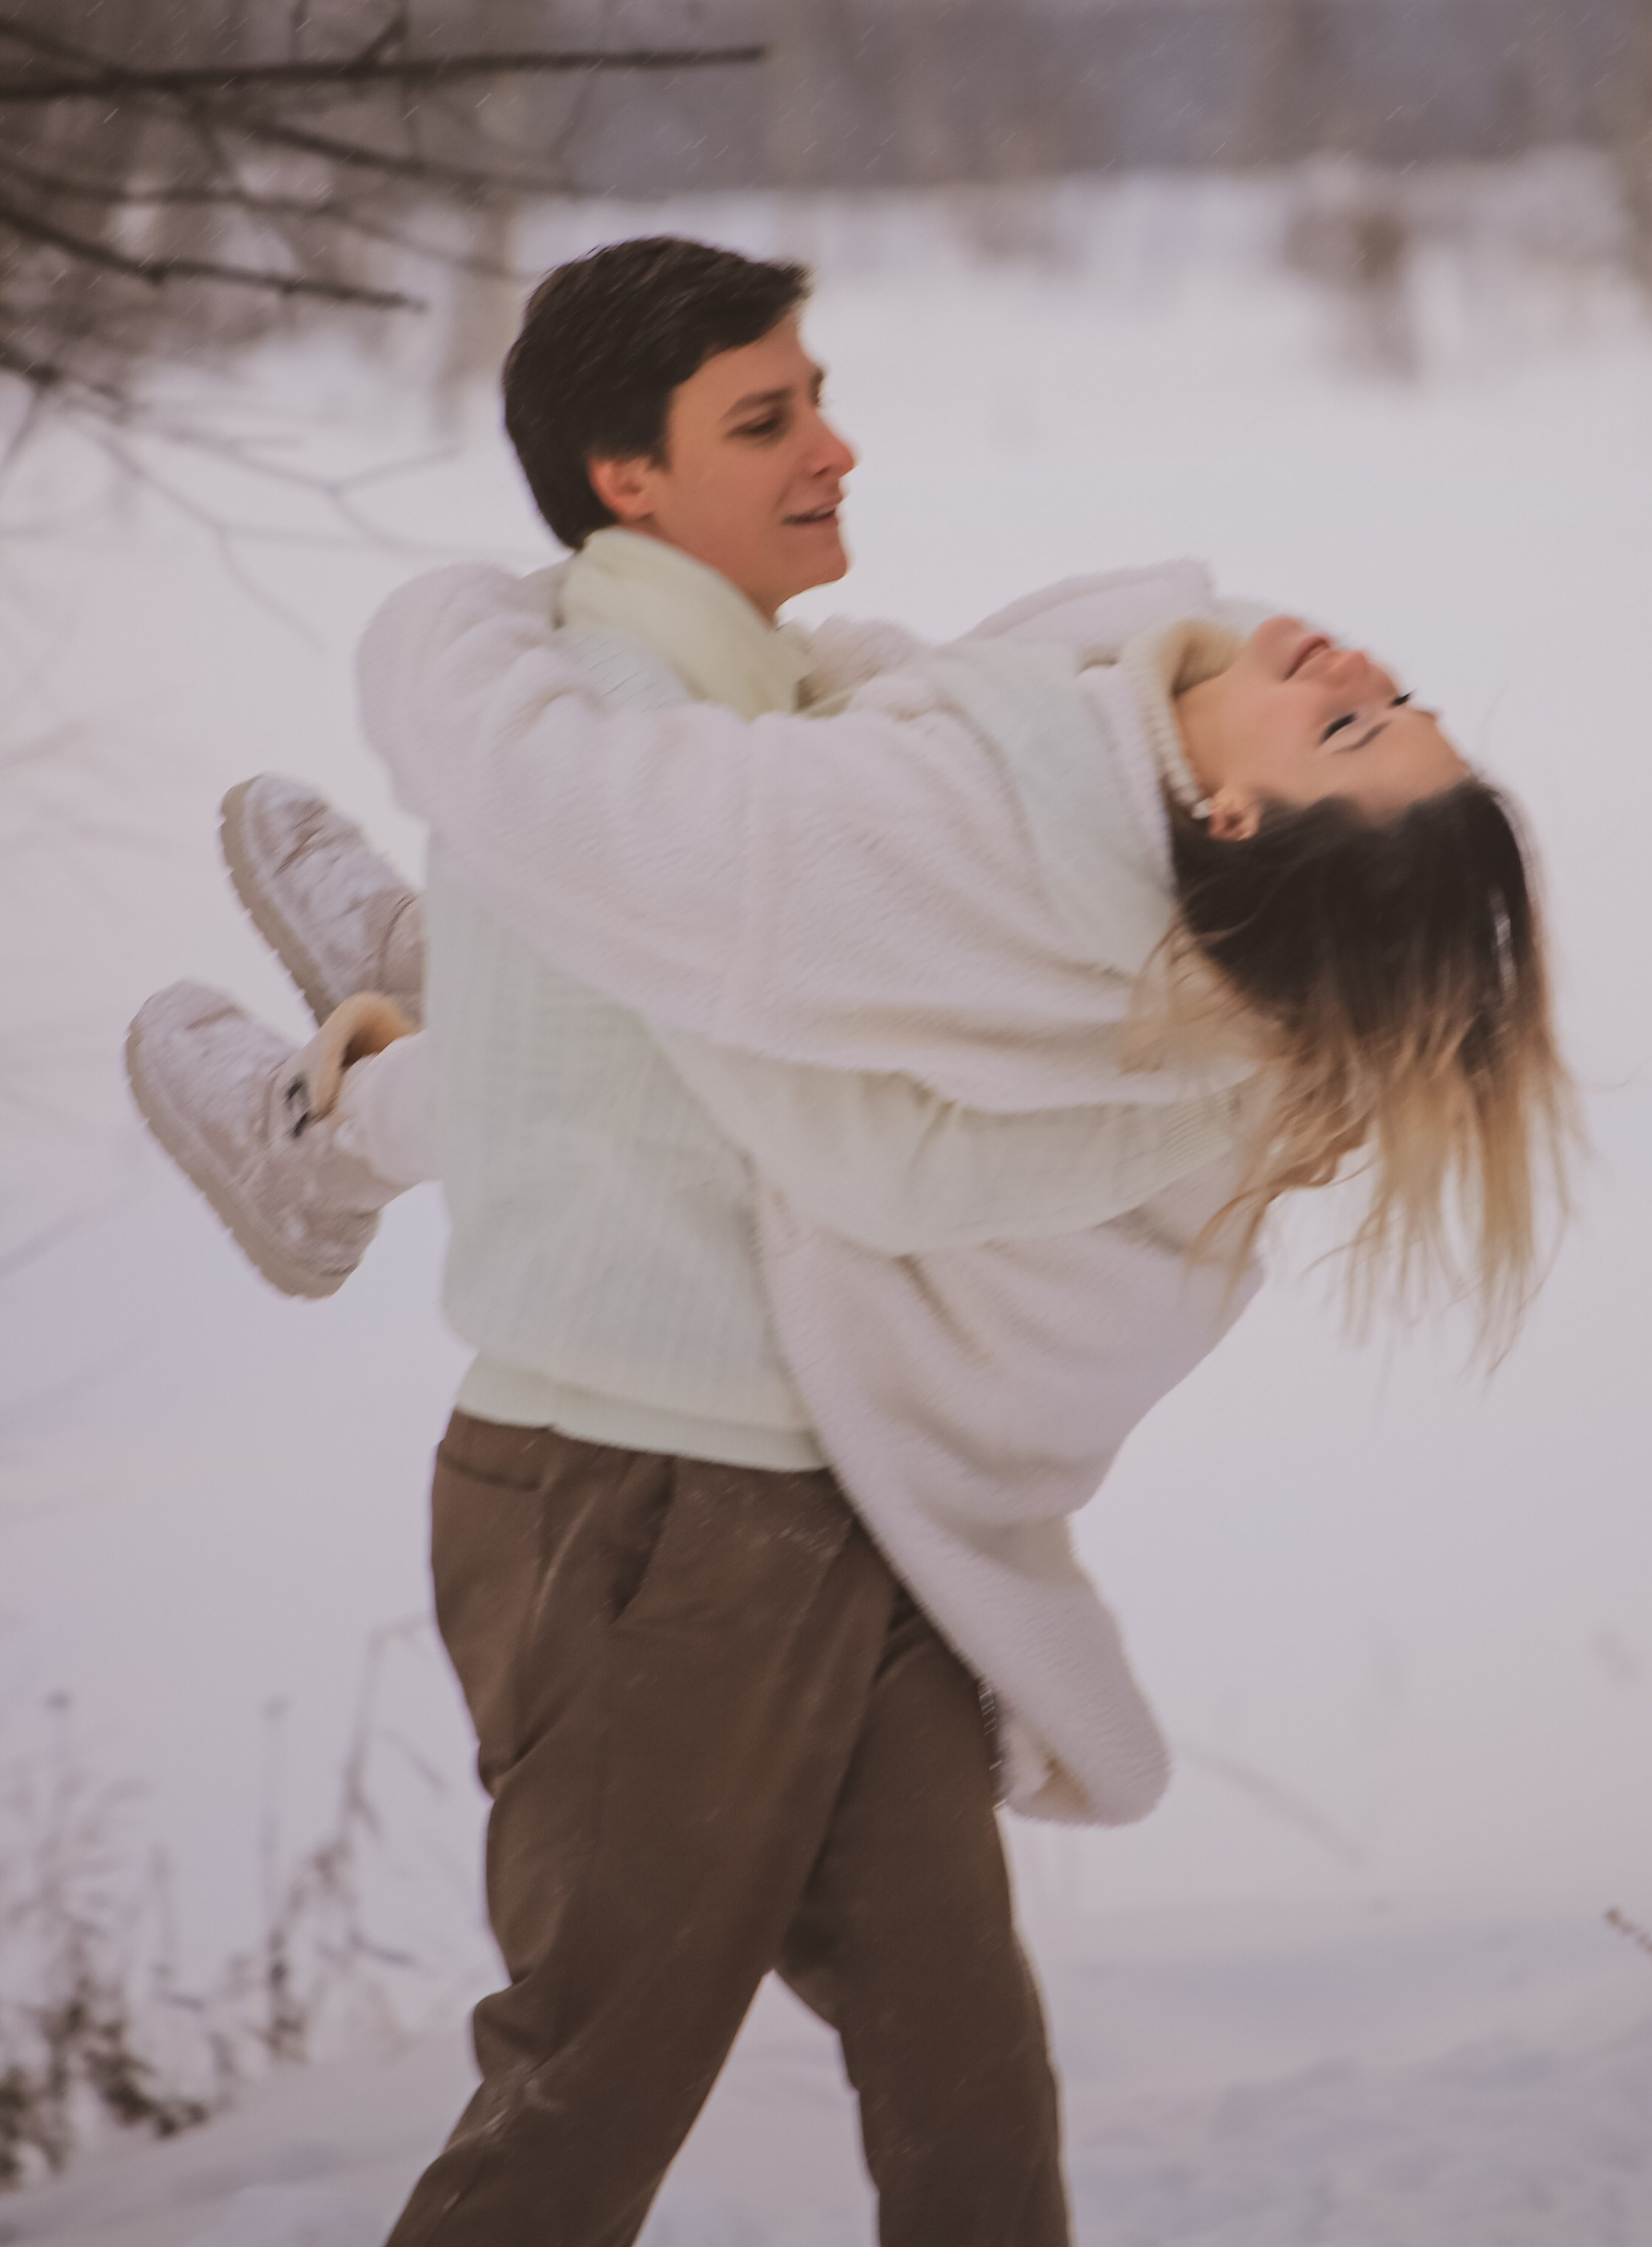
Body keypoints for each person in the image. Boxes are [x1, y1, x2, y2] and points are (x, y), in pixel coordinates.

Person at [128, 237, 1571, 2247]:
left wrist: (451, 626)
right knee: (636, 2090)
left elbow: (711, 931)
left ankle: (387, 1047)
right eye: (773, 412)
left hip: (716, 1503)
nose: (836, 444)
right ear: (632, 475)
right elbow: (824, 816)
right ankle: (434, 985)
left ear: (1244, 828)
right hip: (675, 1479)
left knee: (886, 2073)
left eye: (1356, 732)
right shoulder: (1042, 731)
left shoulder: (1007, 843)